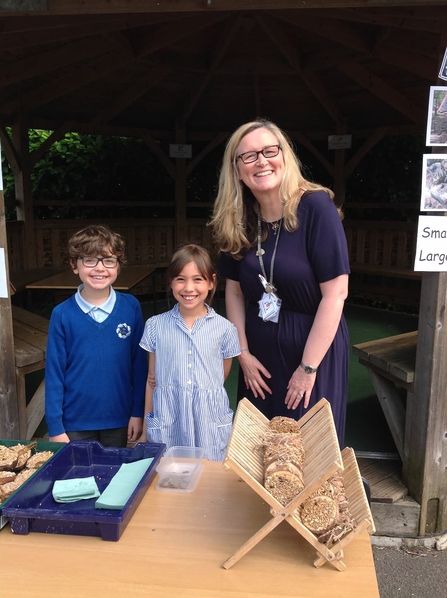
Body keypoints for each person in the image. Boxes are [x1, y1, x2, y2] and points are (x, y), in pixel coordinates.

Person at [209, 119, 350, 447]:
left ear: (284, 156)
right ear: (237, 170)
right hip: (258, 360)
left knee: (309, 452)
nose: (261, 161)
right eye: (249, 156)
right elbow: (233, 290)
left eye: (269, 150)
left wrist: (308, 368)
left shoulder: (316, 207)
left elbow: (336, 294)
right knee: (260, 450)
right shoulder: (239, 218)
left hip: (311, 352)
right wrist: (242, 353)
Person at [45, 225, 147, 447]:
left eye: (109, 260)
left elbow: (139, 366)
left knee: (115, 477)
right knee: (77, 480)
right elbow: (54, 374)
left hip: (119, 417)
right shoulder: (62, 314)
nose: (100, 268)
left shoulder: (131, 307)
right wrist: (55, 427)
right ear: (75, 265)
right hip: (74, 422)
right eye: (90, 260)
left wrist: (138, 412)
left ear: (118, 266)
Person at [139, 244, 240, 461]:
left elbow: (220, 376)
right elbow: (151, 379)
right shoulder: (155, 325)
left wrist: (198, 389)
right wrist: (147, 423)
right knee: (168, 477)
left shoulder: (225, 329)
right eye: (180, 279)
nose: (188, 288)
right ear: (171, 282)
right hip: (168, 417)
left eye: (198, 279)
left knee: (210, 479)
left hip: (209, 419)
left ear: (211, 282)